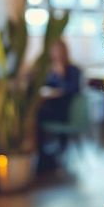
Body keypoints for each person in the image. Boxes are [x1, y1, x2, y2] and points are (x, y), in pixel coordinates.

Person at [37, 39, 82, 172]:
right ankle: (44, 155)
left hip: (66, 111)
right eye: (53, 50)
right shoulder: (49, 69)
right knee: (37, 113)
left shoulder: (73, 70)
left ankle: (45, 157)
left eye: (58, 50)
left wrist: (61, 75)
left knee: (39, 114)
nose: (55, 53)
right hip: (51, 107)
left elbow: (73, 90)